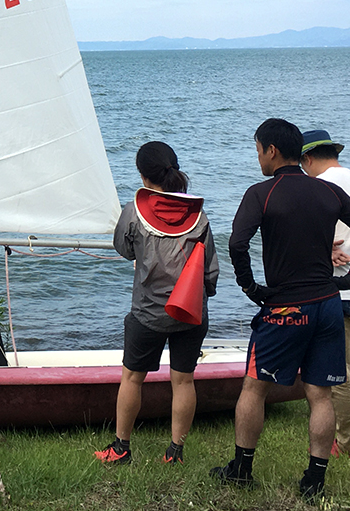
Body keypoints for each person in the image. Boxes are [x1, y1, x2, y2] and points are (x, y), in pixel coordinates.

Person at [211, 118, 350, 500]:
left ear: (271, 151)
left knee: (254, 387)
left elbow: (238, 243)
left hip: (285, 307)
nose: (257, 157)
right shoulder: (327, 192)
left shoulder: (261, 193)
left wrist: (251, 287)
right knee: (320, 394)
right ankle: (314, 480)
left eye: (257, 150)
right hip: (326, 305)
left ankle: (241, 469)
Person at [94, 141, 219, 466]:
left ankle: (121, 448)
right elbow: (210, 268)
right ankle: (175, 453)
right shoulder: (198, 214)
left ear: (142, 175)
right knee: (184, 380)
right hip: (191, 313)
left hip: (148, 313)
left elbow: (123, 247)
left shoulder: (134, 212)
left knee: (133, 378)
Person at [300, 128, 350, 460]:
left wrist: (319, 250)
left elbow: (318, 237)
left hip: (339, 287)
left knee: (340, 372)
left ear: (306, 158)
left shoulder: (322, 186)